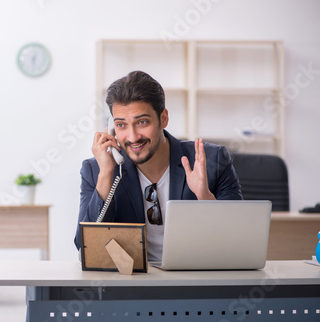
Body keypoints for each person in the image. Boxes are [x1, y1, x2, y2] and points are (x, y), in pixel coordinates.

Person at [75, 70, 243, 261]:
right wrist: (106, 175)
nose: (132, 137)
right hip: (131, 285)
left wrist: (204, 197)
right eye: (121, 125)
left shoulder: (212, 161)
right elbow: (84, 248)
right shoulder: (97, 170)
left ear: (163, 118)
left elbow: (238, 240)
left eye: (142, 122)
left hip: (197, 279)